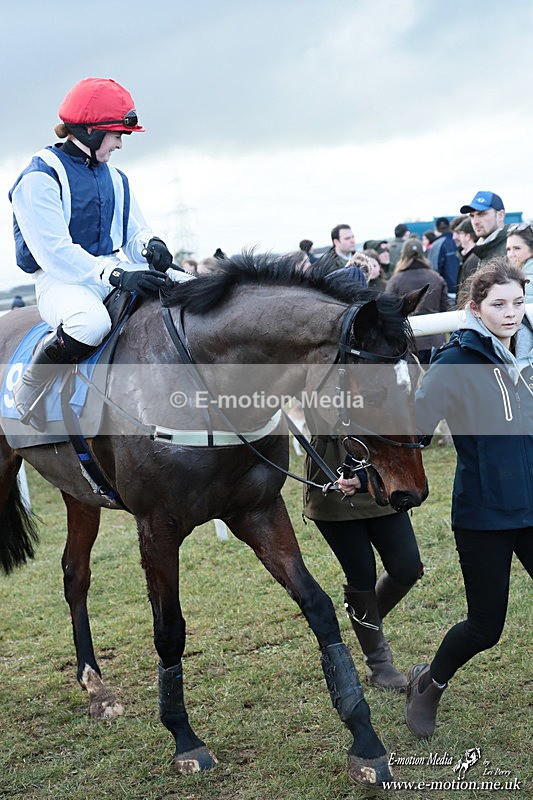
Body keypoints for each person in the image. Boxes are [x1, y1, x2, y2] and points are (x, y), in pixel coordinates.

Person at [405, 258, 533, 738]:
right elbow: (414, 430)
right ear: (476, 309)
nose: (510, 313)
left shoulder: (528, 357)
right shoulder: (455, 363)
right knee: (486, 626)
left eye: (518, 302)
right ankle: (429, 685)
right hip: (485, 513)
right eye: (499, 304)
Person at [8, 77, 174, 431]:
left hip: (106, 268)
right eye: (116, 135)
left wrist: (151, 245)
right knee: (90, 323)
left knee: (185, 284)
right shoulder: (39, 177)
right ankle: (29, 387)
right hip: (59, 280)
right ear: (88, 130)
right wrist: (117, 275)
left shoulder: (115, 177)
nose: (119, 144)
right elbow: (55, 253)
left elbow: (132, 232)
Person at [303, 434, 423, 692]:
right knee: (361, 577)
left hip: (381, 480)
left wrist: (368, 478)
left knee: (407, 567)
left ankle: (365, 625)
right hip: (333, 483)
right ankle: (379, 664)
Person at [385, 238, 450, 364]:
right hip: (435, 341)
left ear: (403, 255)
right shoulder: (436, 277)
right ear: (422, 254)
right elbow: (445, 307)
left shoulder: (395, 281)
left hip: (409, 343)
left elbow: (389, 314)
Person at [459, 190, 508, 266]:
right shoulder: (480, 251)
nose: (475, 222)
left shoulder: (513, 249)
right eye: (472, 216)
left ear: (500, 215)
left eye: (482, 214)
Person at [427, 217, 460, 299]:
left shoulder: (436, 245)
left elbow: (433, 271)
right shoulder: (459, 239)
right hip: (464, 290)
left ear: (437, 228)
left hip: (448, 292)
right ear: (449, 226)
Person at [506, 223, 533, 300]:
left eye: (517, 248)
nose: (511, 254)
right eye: (508, 249)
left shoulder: (529, 281)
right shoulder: (518, 275)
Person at [454, 216, 480, 297]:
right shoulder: (468, 257)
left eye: (460, 233)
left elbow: (468, 291)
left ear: (468, 236)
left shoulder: (474, 259)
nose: (457, 237)